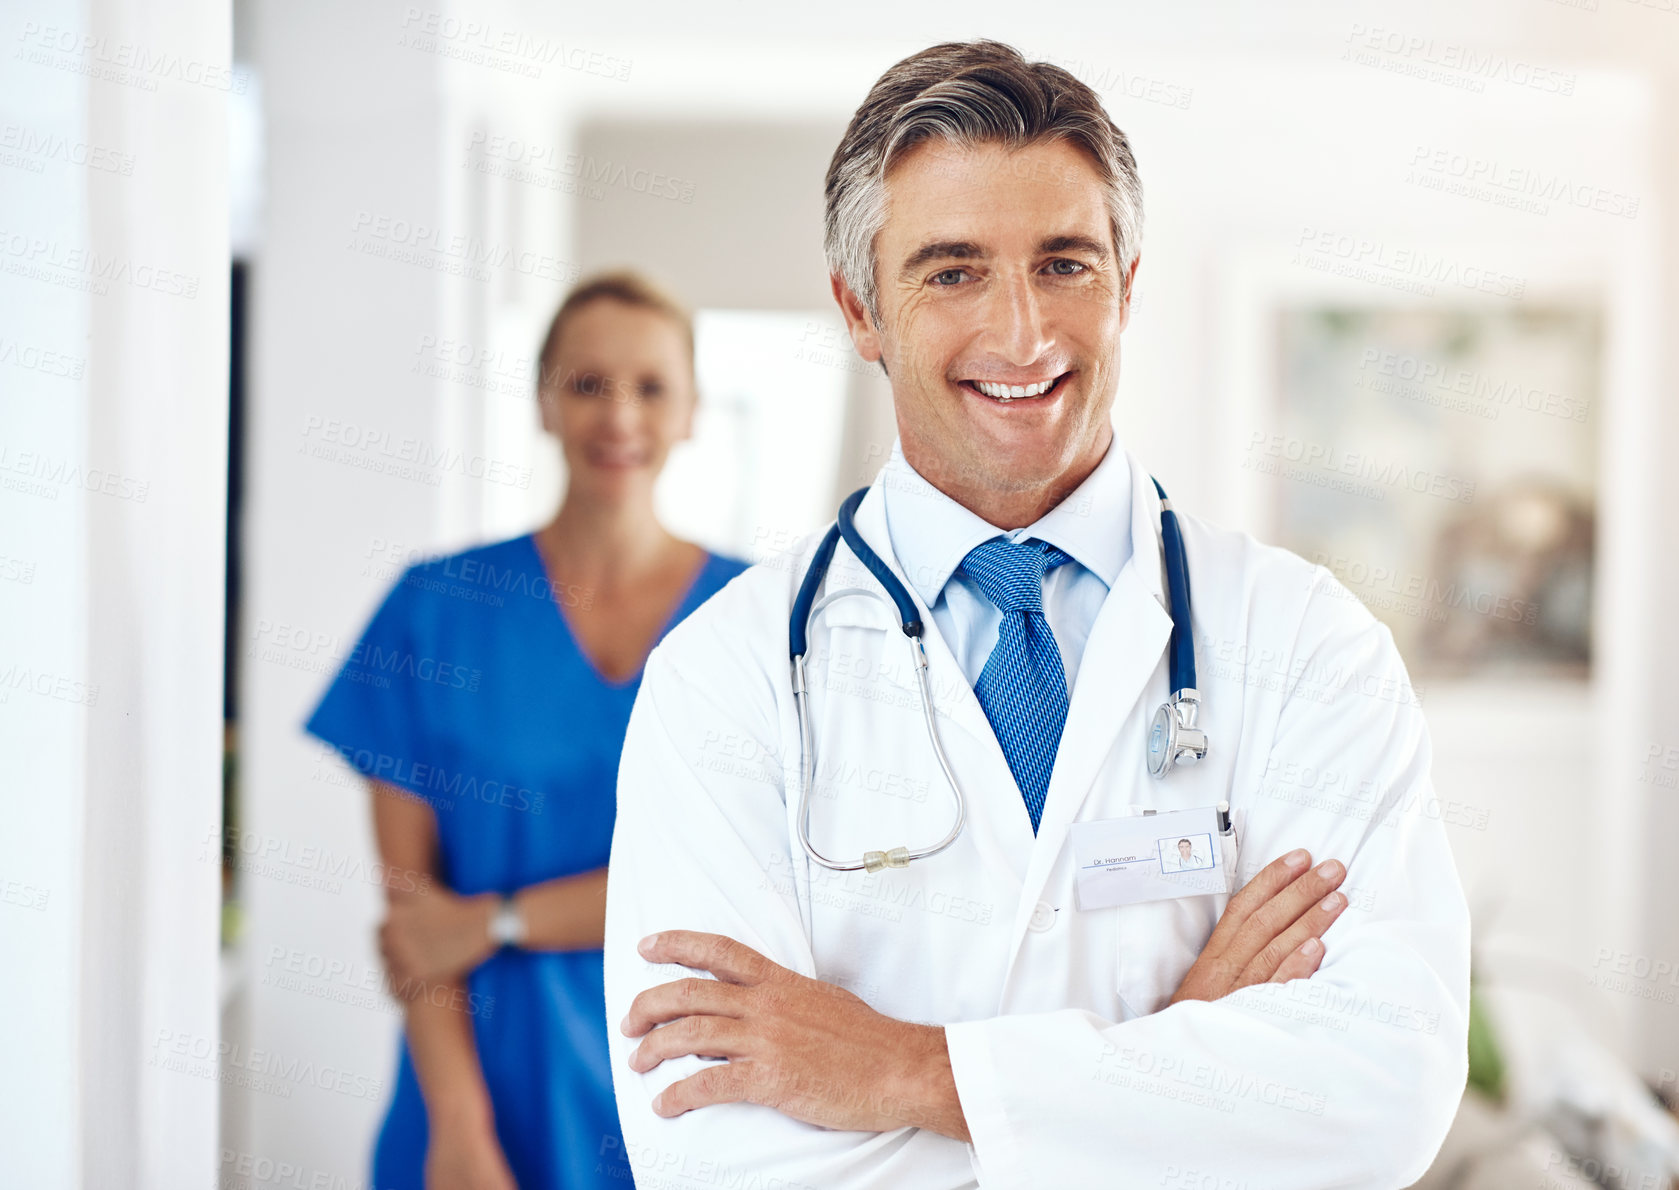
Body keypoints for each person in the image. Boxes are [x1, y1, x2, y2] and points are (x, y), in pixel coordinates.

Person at [602, 42, 1470, 1188]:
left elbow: (1378, 1090)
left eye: (1063, 264)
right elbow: (708, 1146)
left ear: (1126, 284)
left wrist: (907, 1070)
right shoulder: (726, 677)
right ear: (858, 307)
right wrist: (1177, 1049)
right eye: (951, 271)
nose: (1022, 335)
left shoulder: (1304, 642)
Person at [305, 271, 747, 1189]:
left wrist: (498, 920)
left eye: (650, 387)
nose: (618, 415)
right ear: (544, 401)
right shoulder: (435, 610)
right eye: (587, 384)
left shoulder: (751, 621)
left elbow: (742, 882)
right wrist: (460, 1131)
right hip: (478, 1097)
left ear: (693, 411)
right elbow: (415, 919)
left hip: (694, 1099)